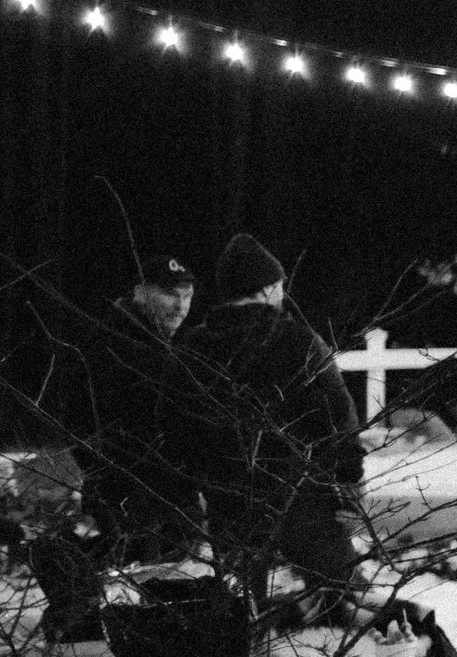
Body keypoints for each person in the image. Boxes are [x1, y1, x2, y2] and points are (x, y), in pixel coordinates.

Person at [173, 235, 366, 621]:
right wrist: (348, 486)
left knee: (246, 622)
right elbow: (338, 423)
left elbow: (175, 432)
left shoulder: (192, 349)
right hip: (304, 512)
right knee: (343, 617)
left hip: (228, 512)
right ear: (265, 289)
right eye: (278, 286)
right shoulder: (299, 342)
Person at [68, 255, 200, 563]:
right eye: (170, 295)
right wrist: (120, 480)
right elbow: (79, 424)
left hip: (161, 503)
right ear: (140, 292)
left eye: (187, 297)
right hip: (136, 503)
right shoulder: (112, 346)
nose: (180, 308)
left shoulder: (154, 344)